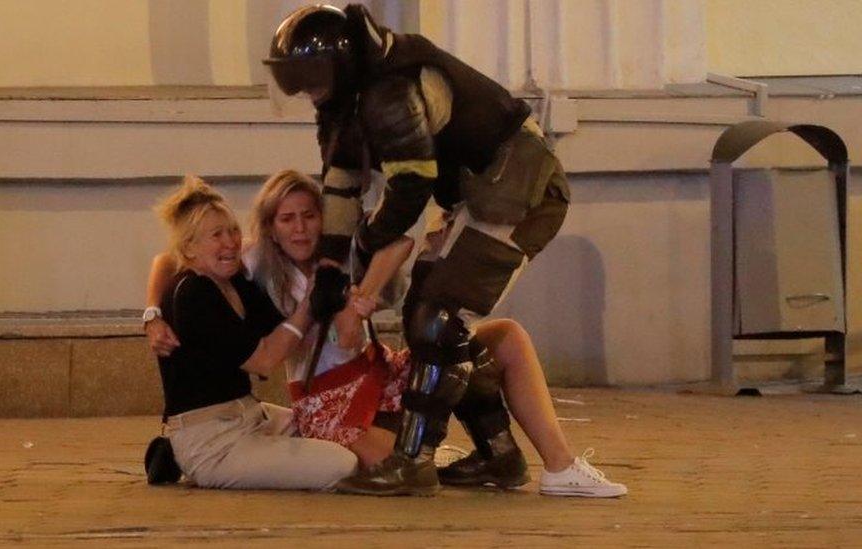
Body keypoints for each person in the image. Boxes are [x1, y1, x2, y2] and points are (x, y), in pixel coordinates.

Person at [147, 170, 626, 497]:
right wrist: (152, 313)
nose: (299, 228)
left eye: (309, 215)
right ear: (271, 227)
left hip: (376, 369)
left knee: (500, 338)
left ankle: (558, 467)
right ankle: (469, 454)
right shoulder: (255, 261)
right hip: (327, 397)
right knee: (390, 470)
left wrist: (361, 299)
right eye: (287, 218)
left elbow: (399, 241)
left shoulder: (339, 251)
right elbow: (168, 259)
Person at [263, 4, 575, 495]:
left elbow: (411, 184)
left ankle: (413, 460)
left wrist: (367, 243)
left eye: (312, 77)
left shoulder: (390, 89)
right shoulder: (349, 101)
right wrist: (329, 269)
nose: (307, 91)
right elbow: (340, 188)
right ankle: (499, 454)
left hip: (518, 190)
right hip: (479, 194)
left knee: (438, 319)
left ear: (340, 66)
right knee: (428, 325)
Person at [149, 175, 357, 490]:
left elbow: (276, 326)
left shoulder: (235, 280)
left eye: (233, 231)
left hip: (252, 415)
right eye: (216, 235)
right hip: (214, 441)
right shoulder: (193, 293)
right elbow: (263, 360)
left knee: (342, 434)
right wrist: (309, 306)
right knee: (343, 465)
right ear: (189, 246)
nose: (230, 242)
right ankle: (186, 458)